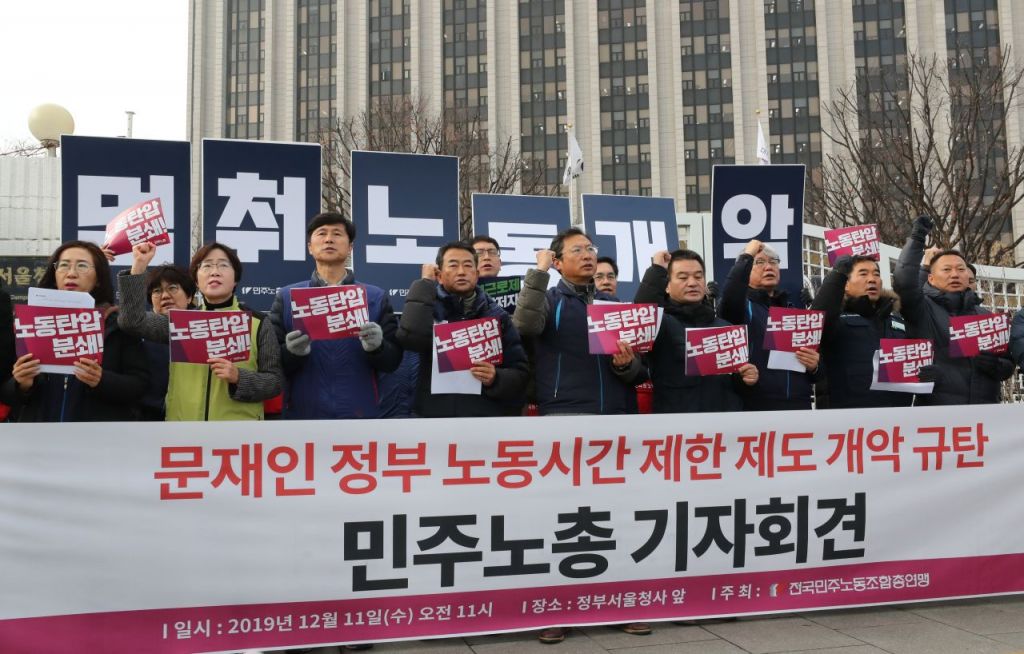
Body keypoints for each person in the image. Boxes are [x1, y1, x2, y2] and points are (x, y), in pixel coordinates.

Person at [118, 241, 283, 420]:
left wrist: (239, 377)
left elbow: (274, 382)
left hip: (238, 432)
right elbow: (132, 321)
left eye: (223, 265)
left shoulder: (258, 323)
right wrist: (139, 266)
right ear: (196, 280)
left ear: (236, 278)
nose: (214, 272)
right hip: (184, 430)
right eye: (207, 266)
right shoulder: (180, 322)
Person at [269, 212, 401, 419]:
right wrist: (291, 353)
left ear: (350, 248)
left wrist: (378, 348)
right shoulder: (287, 297)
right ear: (310, 247)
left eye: (337, 234)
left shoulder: (375, 297)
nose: (329, 239)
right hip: (302, 414)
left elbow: (393, 362)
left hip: (360, 413)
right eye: (322, 233)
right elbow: (270, 363)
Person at [1, 241, 149, 422]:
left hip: (98, 434)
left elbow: (139, 385)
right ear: (54, 274)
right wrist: (21, 384)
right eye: (64, 265)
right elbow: (6, 392)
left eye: (82, 266)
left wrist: (101, 380)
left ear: (98, 278)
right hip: (39, 433)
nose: (71, 273)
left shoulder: (118, 325)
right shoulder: (29, 324)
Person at [513, 228, 646, 416]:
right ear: (557, 263)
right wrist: (540, 270)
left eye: (590, 249)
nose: (587, 255)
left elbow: (638, 368)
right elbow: (524, 324)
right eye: (577, 250)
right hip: (564, 410)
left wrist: (625, 364)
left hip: (615, 412)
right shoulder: (550, 300)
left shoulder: (612, 304)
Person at [396, 241, 528, 417]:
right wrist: (425, 283)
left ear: (477, 274)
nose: (461, 272)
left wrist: (496, 378)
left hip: (485, 419)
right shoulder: (428, 311)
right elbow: (411, 338)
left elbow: (520, 374)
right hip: (434, 417)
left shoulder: (497, 317)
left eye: (467, 265)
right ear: (439, 275)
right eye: (453, 265)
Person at [893, 215, 1014, 404]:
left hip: (986, 413)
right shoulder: (922, 309)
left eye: (960, 269)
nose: (955, 274)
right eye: (947, 270)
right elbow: (903, 281)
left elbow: (1008, 365)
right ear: (931, 278)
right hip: (938, 412)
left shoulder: (986, 316)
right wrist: (917, 238)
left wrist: (996, 365)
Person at [635, 249, 758, 412]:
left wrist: (746, 378)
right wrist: (657, 269)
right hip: (678, 422)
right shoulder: (662, 325)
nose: (692, 283)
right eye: (683, 277)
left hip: (724, 423)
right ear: (667, 286)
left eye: (698, 276)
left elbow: (735, 385)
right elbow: (642, 314)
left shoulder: (725, 328)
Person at [717, 239, 819, 411]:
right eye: (760, 262)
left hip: (799, 405)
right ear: (746, 270)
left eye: (773, 262)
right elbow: (731, 295)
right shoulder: (742, 308)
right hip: (757, 406)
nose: (768, 267)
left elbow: (817, 372)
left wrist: (815, 366)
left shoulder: (794, 312)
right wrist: (747, 256)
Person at [811, 255, 913, 409]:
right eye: (863, 274)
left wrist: (926, 372)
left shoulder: (898, 321)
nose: (872, 279)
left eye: (876, 274)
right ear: (845, 284)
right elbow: (817, 320)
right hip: (847, 416)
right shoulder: (836, 318)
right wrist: (837, 275)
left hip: (896, 417)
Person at [136, 264, 197, 420]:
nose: (164, 296)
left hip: (192, 418)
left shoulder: (204, 329)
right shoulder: (139, 332)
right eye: (157, 291)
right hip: (147, 420)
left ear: (189, 297)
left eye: (172, 288)